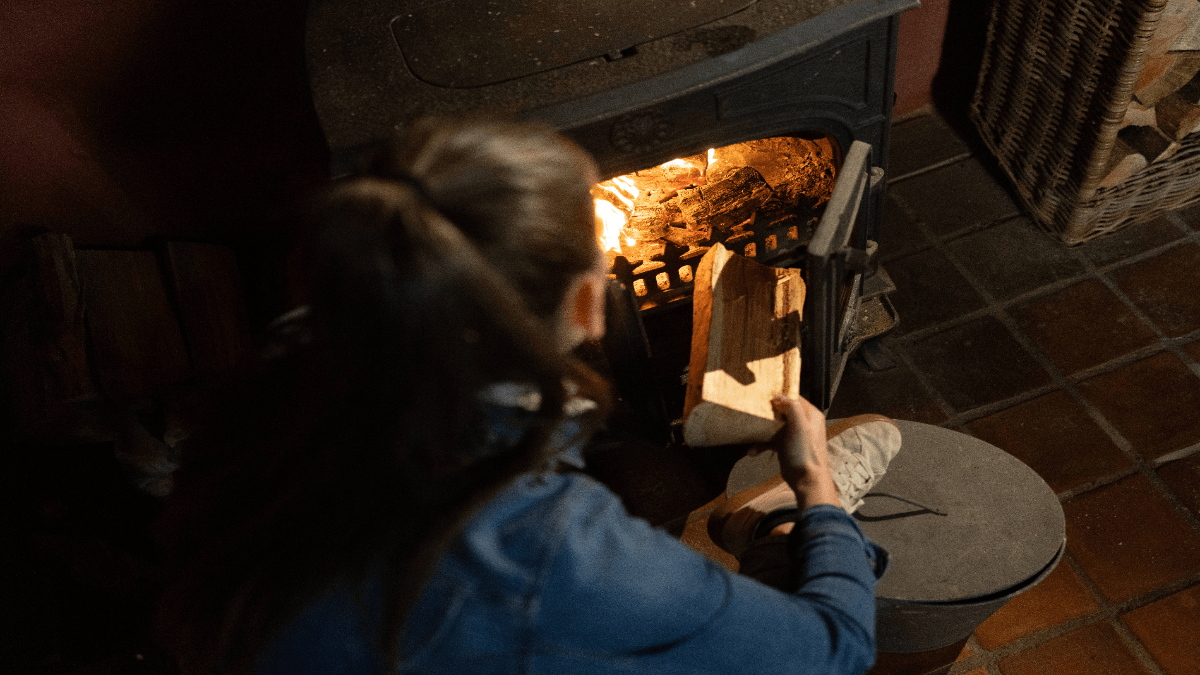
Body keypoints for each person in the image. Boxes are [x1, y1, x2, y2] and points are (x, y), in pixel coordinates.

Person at [153, 117, 888, 675]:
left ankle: (754, 536)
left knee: (639, 494)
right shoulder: (544, 545)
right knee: (795, 563)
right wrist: (817, 487)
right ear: (584, 307)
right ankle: (789, 528)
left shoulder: (288, 358)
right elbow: (834, 651)